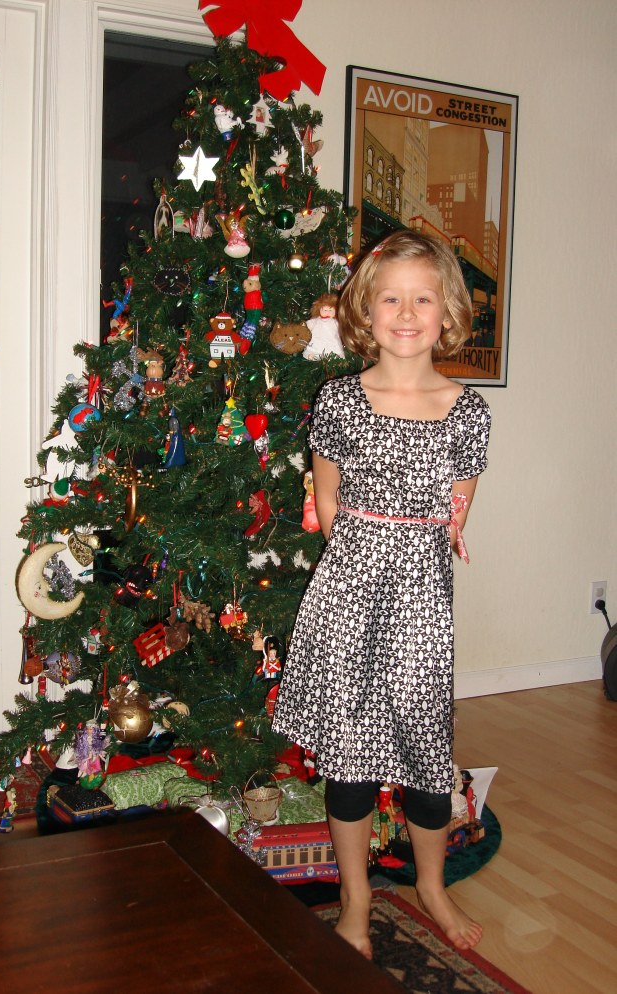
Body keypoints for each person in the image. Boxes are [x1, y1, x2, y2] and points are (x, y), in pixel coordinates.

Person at [272, 229, 491, 959]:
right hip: (346, 595)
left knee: (426, 751)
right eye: (390, 297)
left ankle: (431, 884)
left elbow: (454, 514)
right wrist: (362, 570)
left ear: (446, 310)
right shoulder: (339, 400)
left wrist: (404, 570)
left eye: (421, 298)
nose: (405, 312)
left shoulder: (467, 412)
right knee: (351, 759)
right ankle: (356, 899)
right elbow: (328, 506)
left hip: (420, 607)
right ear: (366, 309)